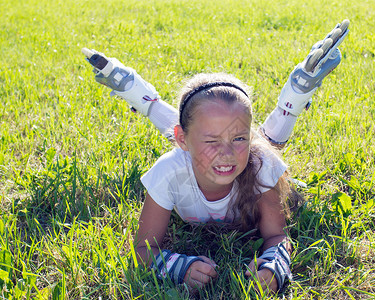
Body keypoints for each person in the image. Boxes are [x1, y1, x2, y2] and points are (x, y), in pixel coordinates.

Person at [83, 20, 349, 293]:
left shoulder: (260, 166)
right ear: (181, 140)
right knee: (228, 136)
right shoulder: (168, 172)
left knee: (260, 146)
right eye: (212, 142)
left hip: (241, 149)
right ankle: (294, 96)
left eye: (239, 138)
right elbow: (142, 251)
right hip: (190, 145)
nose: (226, 154)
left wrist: (273, 267)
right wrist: (178, 268)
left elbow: (277, 236)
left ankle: (296, 94)